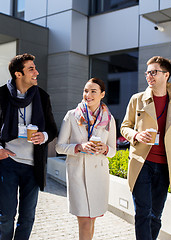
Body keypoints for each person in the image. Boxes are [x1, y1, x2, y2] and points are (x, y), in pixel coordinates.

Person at [120, 56, 171, 240]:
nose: (149, 76)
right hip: (142, 163)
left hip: (164, 166)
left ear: (166, 74)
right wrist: (136, 135)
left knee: (156, 216)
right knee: (143, 213)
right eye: (147, 73)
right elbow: (124, 127)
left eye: (153, 72)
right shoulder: (137, 99)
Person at [0, 53, 57, 240]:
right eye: (31, 69)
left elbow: (52, 129)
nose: (36, 72)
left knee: (27, 217)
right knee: (6, 215)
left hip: (33, 166)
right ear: (18, 74)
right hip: (8, 163)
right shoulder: (1, 96)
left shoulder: (42, 97)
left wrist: (44, 136)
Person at [56, 78, 117, 240]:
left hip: (99, 176)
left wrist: (105, 149)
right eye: (85, 91)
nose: (87, 95)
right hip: (78, 174)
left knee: (91, 220)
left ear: (102, 94)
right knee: (83, 221)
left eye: (93, 91)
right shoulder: (72, 116)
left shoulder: (109, 119)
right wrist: (79, 147)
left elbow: (113, 151)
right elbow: (59, 146)